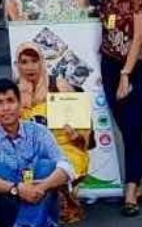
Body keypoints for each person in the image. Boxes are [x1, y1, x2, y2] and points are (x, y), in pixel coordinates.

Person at [89, 0, 142, 216]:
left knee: (132, 127)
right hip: (110, 68)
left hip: (136, 69)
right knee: (128, 130)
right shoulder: (103, 1)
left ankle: (130, 190)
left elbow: (139, 38)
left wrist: (126, 73)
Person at [0, 78, 74, 227]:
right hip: (9, 203)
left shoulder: (39, 131)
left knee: (46, 166)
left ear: (20, 104)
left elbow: (66, 167)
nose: (6, 108)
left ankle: (25, 223)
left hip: (40, 194)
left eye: (10, 101)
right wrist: (17, 189)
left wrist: (40, 188)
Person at [13, 42, 92, 224]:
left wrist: (77, 135)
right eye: (24, 62)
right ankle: (54, 205)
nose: (30, 67)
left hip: (64, 146)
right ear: (18, 65)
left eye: (34, 61)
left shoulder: (59, 85)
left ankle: (54, 204)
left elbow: (83, 124)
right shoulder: (13, 92)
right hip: (30, 150)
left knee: (54, 165)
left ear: (42, 62)